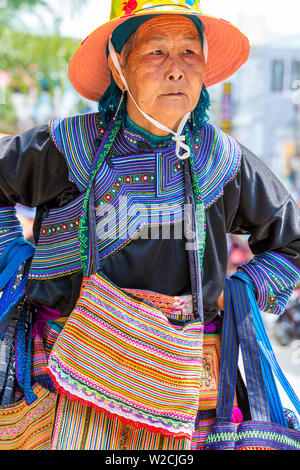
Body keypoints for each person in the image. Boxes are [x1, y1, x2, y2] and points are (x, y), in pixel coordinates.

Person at [0, 0, 300, 451]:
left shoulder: (225, 161)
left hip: (183, 387)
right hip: (63, 378)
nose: (176, 69)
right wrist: (15, 257)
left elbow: (291, 242)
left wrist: (237, 292)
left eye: (189, 54)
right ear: (119, 68)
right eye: (156, 52)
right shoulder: (64, 146)